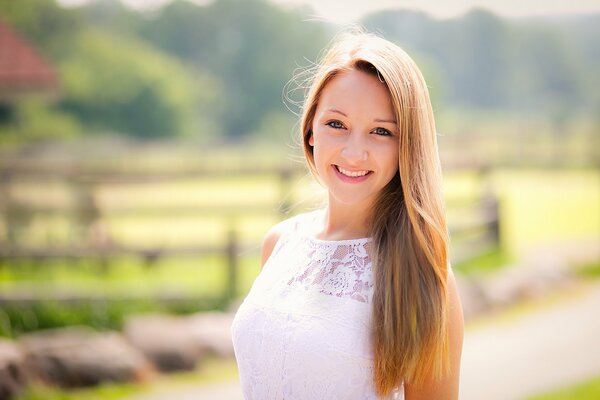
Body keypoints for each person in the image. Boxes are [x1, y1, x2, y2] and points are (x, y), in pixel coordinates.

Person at [231, 31, 464, 400]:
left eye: (381, 131)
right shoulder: (279, 243)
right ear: (310, 130)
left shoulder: (421, 271)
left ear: (407, 146)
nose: (354, 153)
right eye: (336, 124)